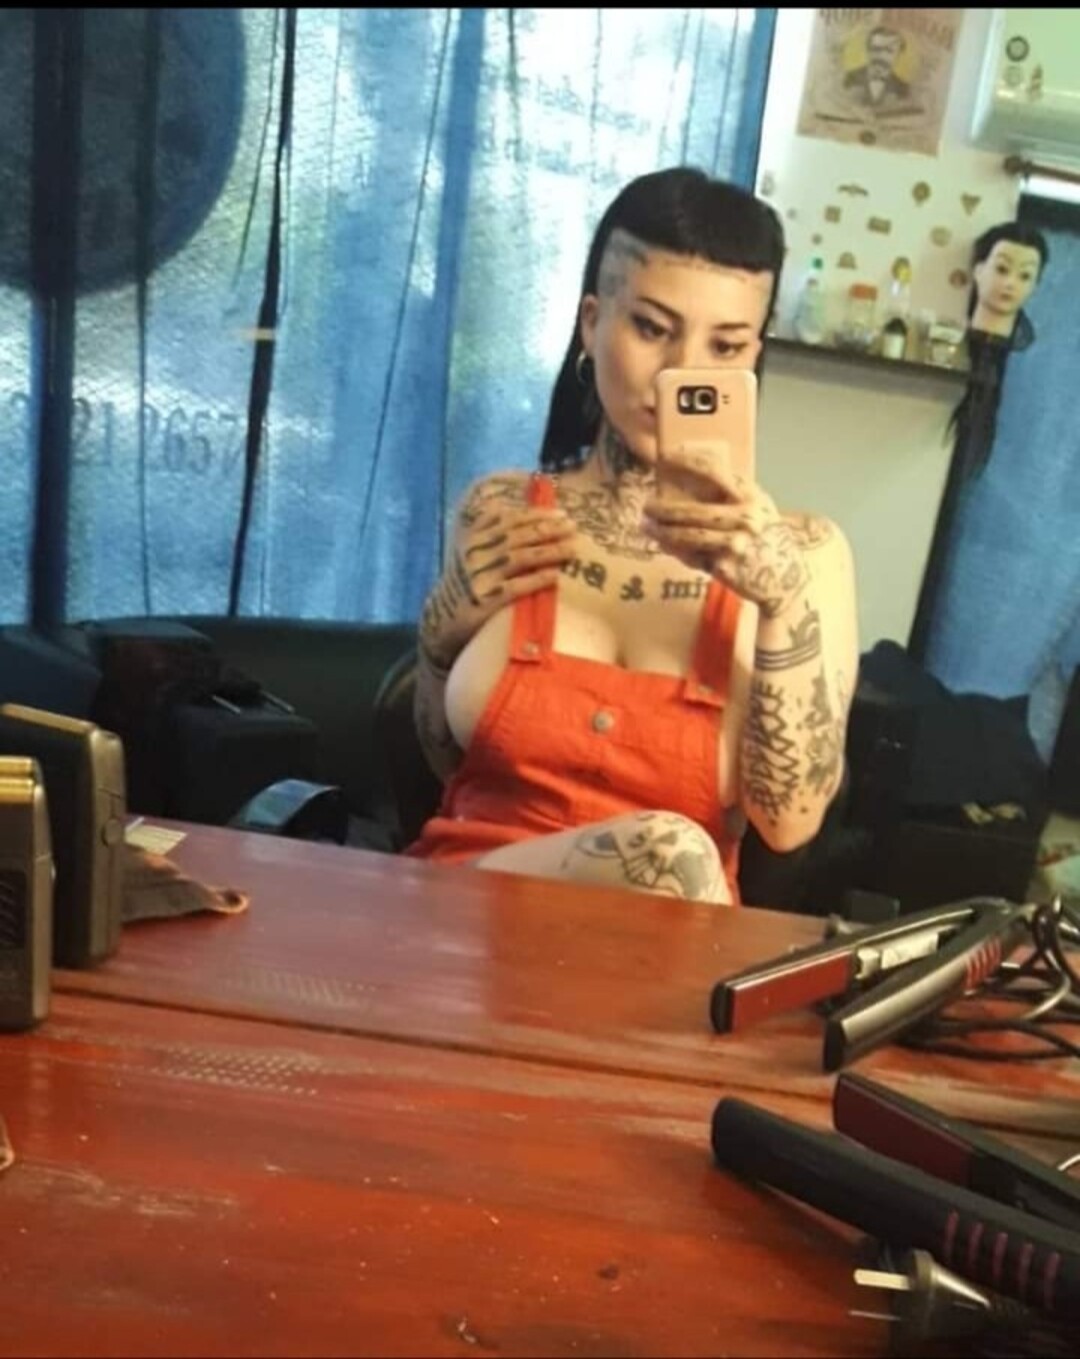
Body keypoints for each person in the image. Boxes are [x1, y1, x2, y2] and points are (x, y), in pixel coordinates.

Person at [405, 166, 859, 906]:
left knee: (671, 854)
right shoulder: (503, 511)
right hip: (462, 924)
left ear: (754, 355)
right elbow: (443, 764)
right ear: (592, 322)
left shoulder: (805, 556)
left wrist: (782, 607)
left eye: (725, 346)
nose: (681, 373)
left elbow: (789, 823)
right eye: (651, 328)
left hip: (672, 948)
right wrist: (435, 640)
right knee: (667, 853)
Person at [843, 25, 912, 110]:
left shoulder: (902, 89)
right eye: (876, 49)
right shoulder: (850, 79)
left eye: (889, 51)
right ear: (868, 50)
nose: (881, 56)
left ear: (898, 55)